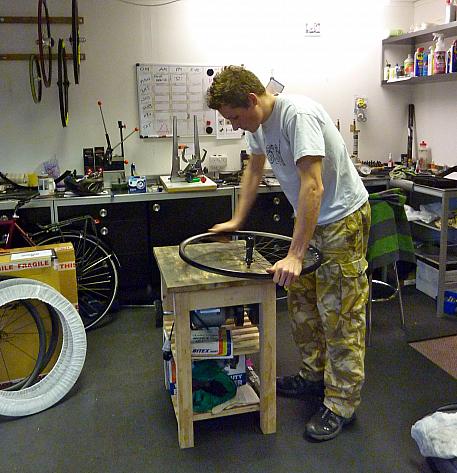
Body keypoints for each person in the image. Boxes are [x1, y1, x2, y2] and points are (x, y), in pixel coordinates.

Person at [206, 66, 371, 441]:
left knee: (340, 314)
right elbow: (253, 170)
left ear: (252, 100)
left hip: (341, 219)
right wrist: (236, 219)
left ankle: (341, 403)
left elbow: (313, 186)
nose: (233, 125)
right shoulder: (258, 125)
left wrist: (295, 254)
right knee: (302, 304)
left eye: (234, 117)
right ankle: (313, 376)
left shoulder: (297, 116)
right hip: (310, 219)